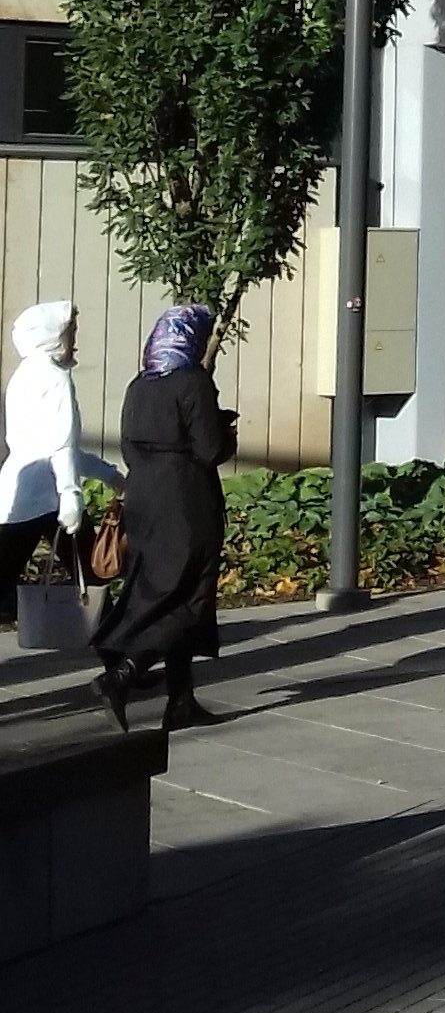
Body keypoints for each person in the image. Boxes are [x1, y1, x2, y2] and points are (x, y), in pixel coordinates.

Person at [96, 302, 235, 732]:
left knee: (156, 585)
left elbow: (131, 447)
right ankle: (124, 674)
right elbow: (210, 449)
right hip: (186, 500)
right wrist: (227, 432)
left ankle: (181, 699)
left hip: (145, 497)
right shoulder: (193, 381)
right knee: (190, 595)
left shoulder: (139, 385)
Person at [0, 300, 93, 605]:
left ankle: (117, 646)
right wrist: (71, 495)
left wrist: (108, 474)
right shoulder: (55, 377)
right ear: (52, 335)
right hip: (51, 495)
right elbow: (61, 444)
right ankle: (119, 647)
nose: (75, 340)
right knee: (94, 573)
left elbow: (39, 443)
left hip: (17, 494)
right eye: (71, 332)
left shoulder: (23, 375)